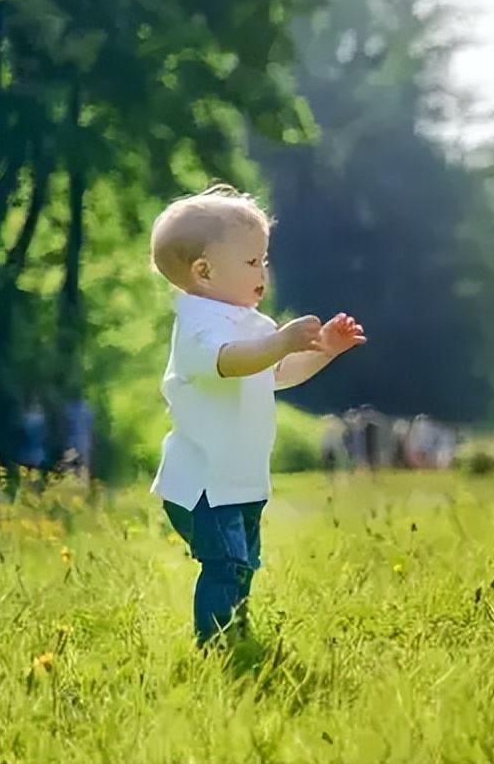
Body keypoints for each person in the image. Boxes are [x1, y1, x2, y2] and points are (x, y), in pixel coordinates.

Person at [148, 184, 366, 646]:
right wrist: (278, 343)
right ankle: (217, 646)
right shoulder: (198, 324)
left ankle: (235, 634)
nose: (262, 271)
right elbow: (229, 362)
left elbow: (278, 372)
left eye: (264, 260)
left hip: (241, 479)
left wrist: (323, 349)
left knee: (243, 563)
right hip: (204, 481)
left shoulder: (253, 325)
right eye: (251, 262)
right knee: (225, 564)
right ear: (203, 272)